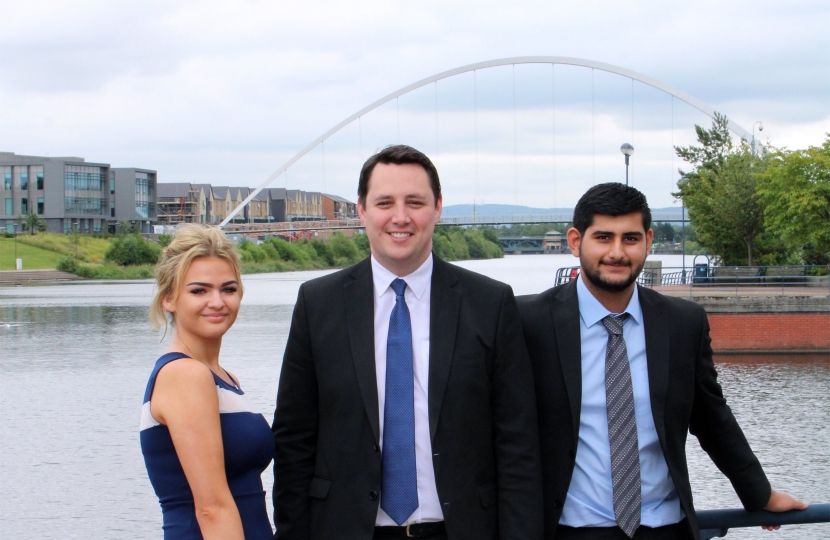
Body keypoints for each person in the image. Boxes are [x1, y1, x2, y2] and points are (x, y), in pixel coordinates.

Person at [272, 144, 543, 540]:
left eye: (415, 202)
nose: (400, 217)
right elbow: (294, 439)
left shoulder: (490, 303)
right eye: (385, 203)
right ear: (362, 211)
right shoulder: (318, 304)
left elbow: (518, 443)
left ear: (437, 209)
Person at [517, 183, 807, 540]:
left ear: (649, 240)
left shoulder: (683, 323)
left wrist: (760, 493)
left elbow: (711, 417)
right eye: (604, 237)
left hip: (664, 528)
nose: (617, 252)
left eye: (631, 238)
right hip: (569, 529)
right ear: (576, 241)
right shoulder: (527, 323)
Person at [140, 224, 274, 540]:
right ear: (169, 299)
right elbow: (210, 509)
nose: (217, 302)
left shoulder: (222, 377)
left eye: (228, 289)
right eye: (199, 290)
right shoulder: (185, 375)